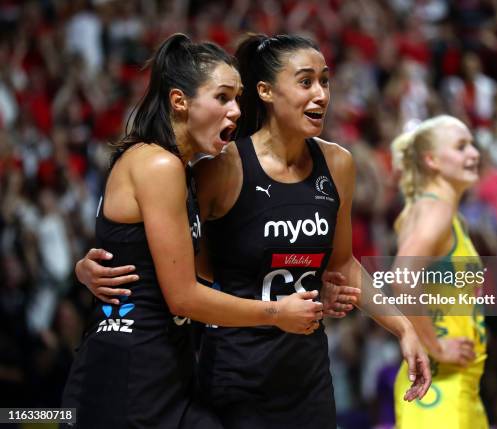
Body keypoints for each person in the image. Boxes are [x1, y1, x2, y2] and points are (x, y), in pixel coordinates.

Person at [77, 33, 431, 429]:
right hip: (223, 370)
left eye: (325, 81)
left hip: (302, 370)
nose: (320, 93)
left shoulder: (337, 164)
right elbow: (185, 278)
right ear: (265, 92)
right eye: (305, 81)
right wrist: (277, 309)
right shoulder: (210, 167)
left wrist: (402, 325)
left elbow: (342, 263)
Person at [61, 33, 328, 429]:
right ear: (179, 101)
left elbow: (125, 247)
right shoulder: (159, 165)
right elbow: (183, 296)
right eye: (222, 97)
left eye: (237, 98)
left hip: (165, 364)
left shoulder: (177, 167)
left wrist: (84, 267)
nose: (236, 111)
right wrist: (276, 313)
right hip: (129, 371)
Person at [390, 115, 488, 428]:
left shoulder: (439, 212)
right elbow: (403, 277)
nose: (474, 153)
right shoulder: (436, 210)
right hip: (440, 388)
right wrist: (436, 346)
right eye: (461, 147)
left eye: (472, 144)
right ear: (431, 160)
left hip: (457, 388)